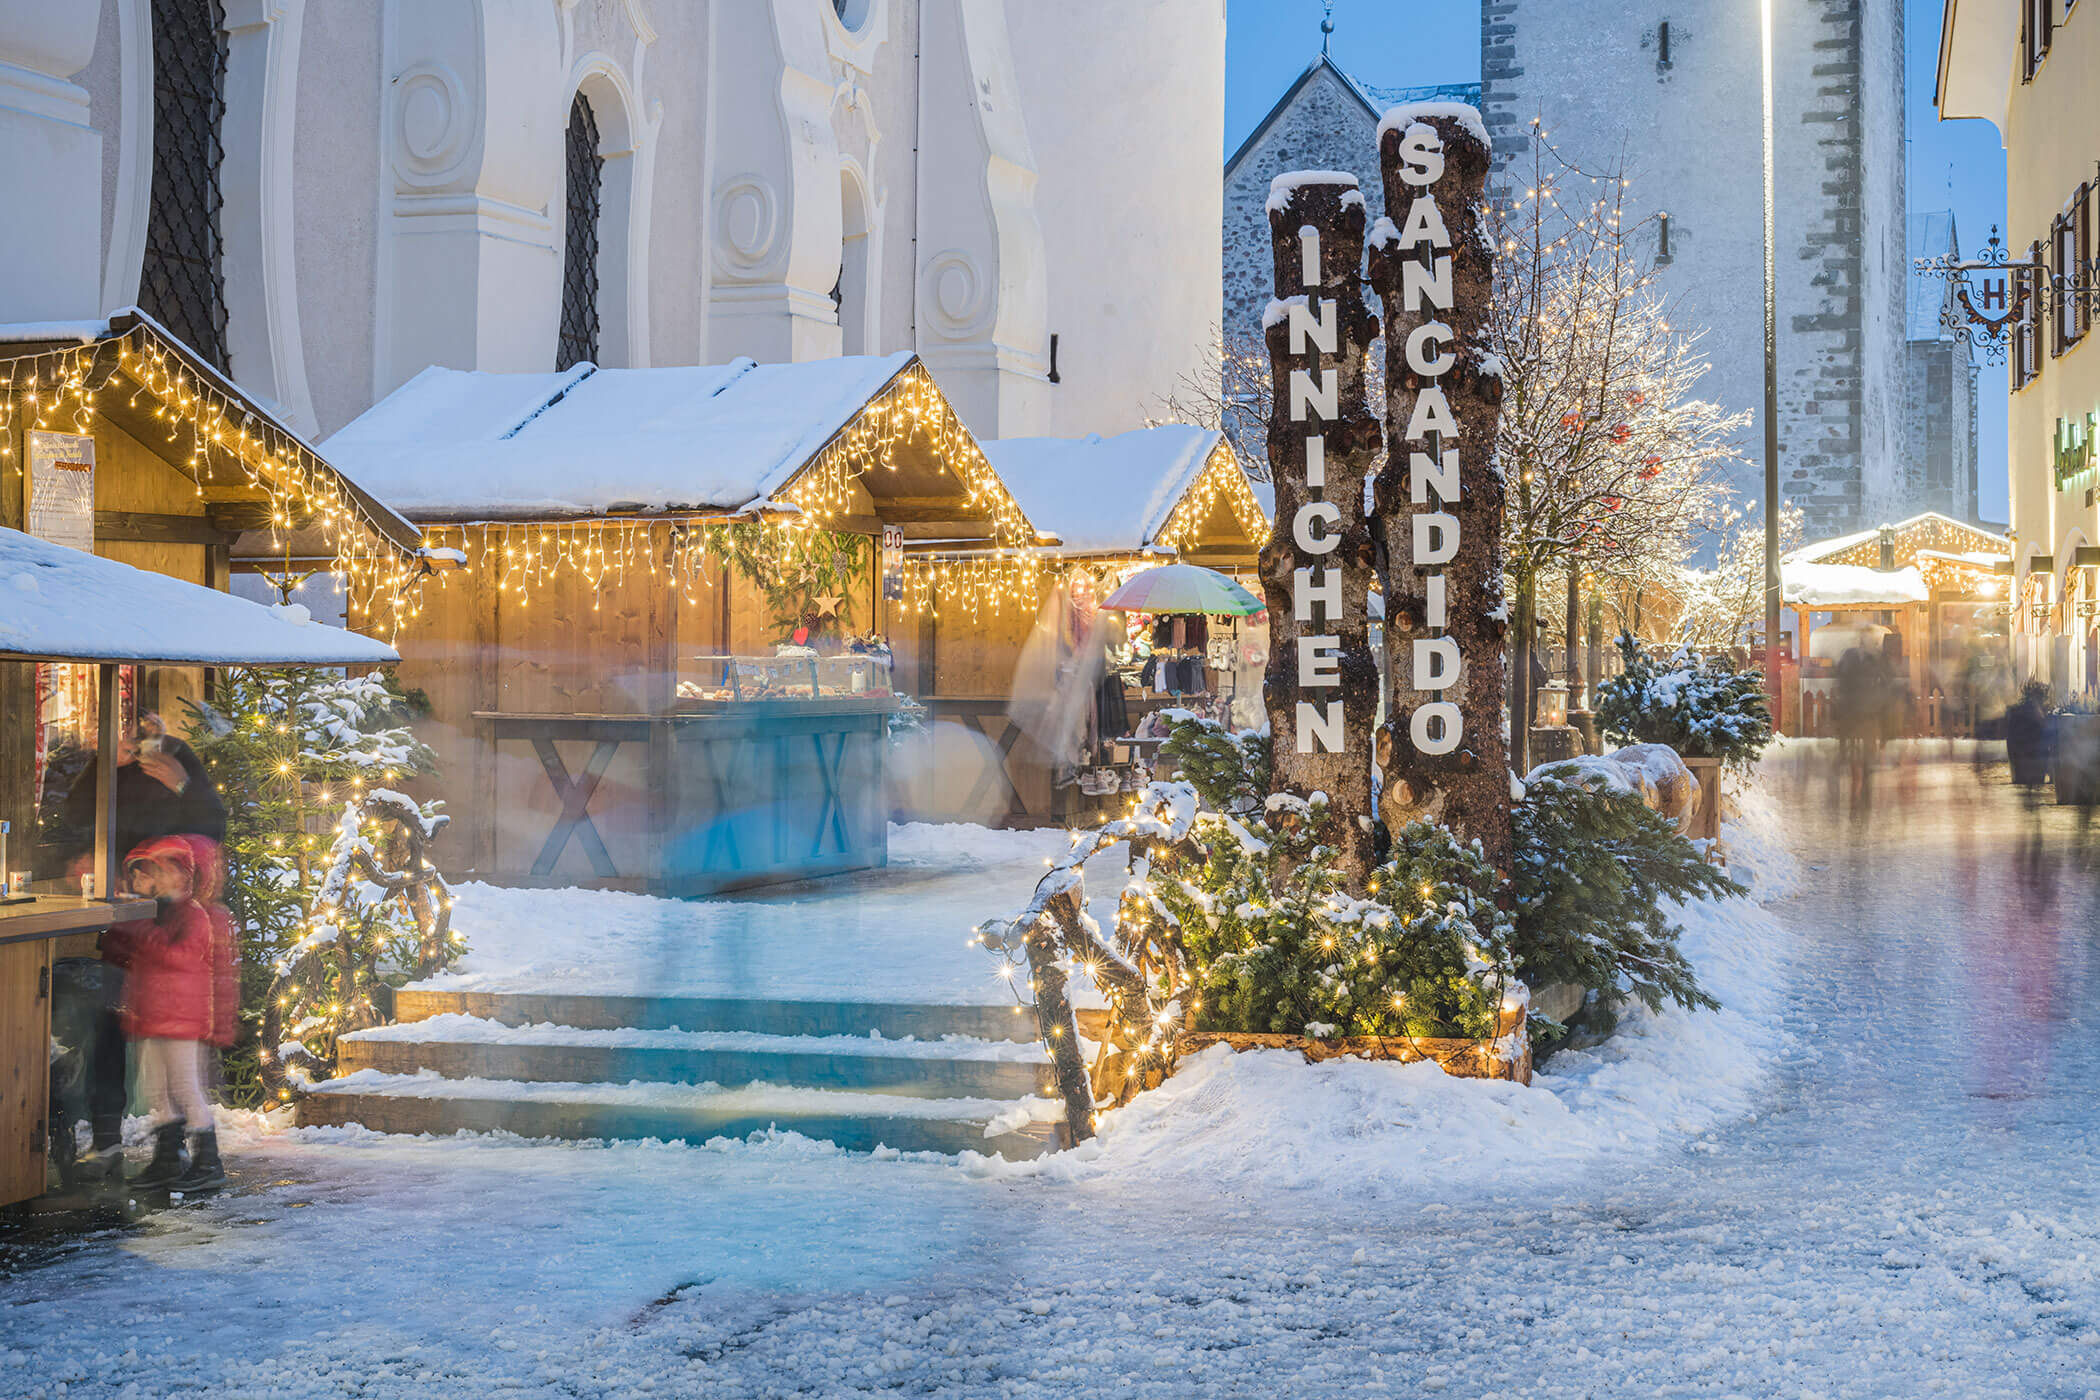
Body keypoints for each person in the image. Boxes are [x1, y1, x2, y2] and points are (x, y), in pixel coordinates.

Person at [53, 712, 227, 1184]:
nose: (138, 735)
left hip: (161, 921)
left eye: (144, 725)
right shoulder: (104, 766)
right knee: (119, 1039)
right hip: (123, 917)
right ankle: (119, 1142)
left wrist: (182, 784)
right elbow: (72, 817)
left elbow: (212, 829)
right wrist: (104, 765)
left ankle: (193, 1157)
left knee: (175, 1069)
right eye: (129, 725)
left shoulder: (177, 759)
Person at [100, 835, 231, 1193]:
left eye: (167, 870)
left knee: (186, 1090)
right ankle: (168, 1159)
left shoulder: (193, 915)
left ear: (184, 876)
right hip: (152, 1015)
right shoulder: (155, 911)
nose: (161, 877)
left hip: (181, 1019)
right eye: (157, 871)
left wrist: (138, 927)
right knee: (157, 1091)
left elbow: (179, 958)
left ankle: (209, 1162)